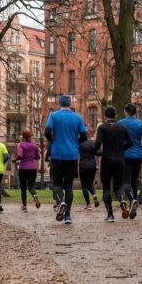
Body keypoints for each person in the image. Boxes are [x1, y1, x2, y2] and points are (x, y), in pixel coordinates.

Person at [45, 95, 87, 225]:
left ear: (59, 103)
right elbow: (84, 136)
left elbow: (47, 132)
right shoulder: (77, 117)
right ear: (70, 104)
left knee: (57, 184)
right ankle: (68, 216)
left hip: (57, 154)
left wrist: (53, 141)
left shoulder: (53, 115)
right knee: (69, 186)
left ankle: (60, 201)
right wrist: (75, 143)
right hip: (72, 155)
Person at [95, 106, 133, 222]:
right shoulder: (122, 127)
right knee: (117, 187)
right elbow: (131, 142)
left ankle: (110, 215)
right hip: (120, 160)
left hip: (106, 160)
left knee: (106, 187)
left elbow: (98, 144)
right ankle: (122, 201)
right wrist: (122, 149)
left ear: (106, 115)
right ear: (115, 115)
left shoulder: (102, 127)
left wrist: (98, 151)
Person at [119, 103, 142, 220]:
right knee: (133, 181)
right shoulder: (140, 123)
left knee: (125, 182)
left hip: (125, 155)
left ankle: (132, 200)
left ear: (125, 111)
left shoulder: (120, 123)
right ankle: (133, 210)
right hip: (137, 155)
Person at [16, 129, 41, 211]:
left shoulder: (21, 145)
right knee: (31, 186)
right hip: (33, 168)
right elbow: (38, 157)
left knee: (23, 188)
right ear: (30, 136)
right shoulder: (34, 146)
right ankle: (35, 196)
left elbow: (20, 155)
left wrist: (15, 159)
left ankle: (24, 206)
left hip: (23, 168)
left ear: (23, 136)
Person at [78, 128, 100, 210]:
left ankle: (88, 204)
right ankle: (94, 195)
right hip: (93, 166)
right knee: (90, 183)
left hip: (83, 166)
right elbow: (99, 152)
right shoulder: (92, 144)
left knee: (84, 186)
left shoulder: (79, 144)